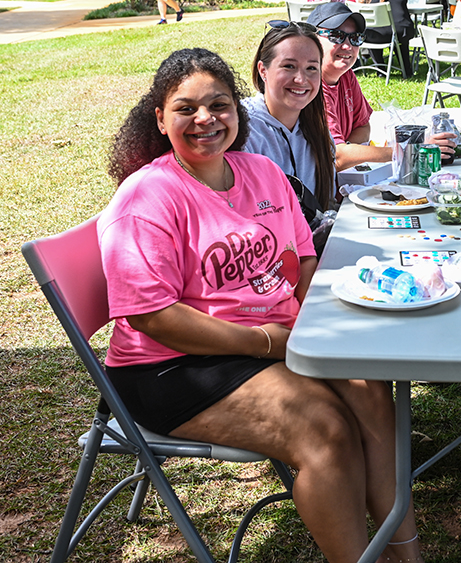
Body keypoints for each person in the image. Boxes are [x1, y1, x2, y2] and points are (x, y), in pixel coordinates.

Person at [98, 48, 424, 563]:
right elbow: (151, 315)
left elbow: (304, 257)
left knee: (369, 389)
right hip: (172, 365)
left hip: (277, 340)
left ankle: (404, 554)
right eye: (185, 108)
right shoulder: (148, 197)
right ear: (160, 119)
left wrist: (306, 322)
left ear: (237, 112)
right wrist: (269, 340)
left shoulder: (262, 174)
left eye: (219, 105)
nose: (205, 119)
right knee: (324, 429)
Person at [306, 1, 455, 170]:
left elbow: (362, 125)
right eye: (336, 36)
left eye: (355, 38)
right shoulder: (309, 88)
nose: (347, 46)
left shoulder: (346, 75)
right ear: (312, 40)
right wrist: (408, 149)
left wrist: (349, 151)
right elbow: (336, 157)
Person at [243, 21, 336, 251]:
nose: (301, 79)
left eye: (311, 68)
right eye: (289, 66)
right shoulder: (241, 132)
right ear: (262, 70)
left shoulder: (314, 128)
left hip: (315, 253)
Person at [361, 0, 415, 79]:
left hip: (374, 33)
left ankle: (380, 69)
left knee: (373, 30)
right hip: (400, 31)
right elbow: (403, 3)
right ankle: (406, 68)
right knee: (399, 33)